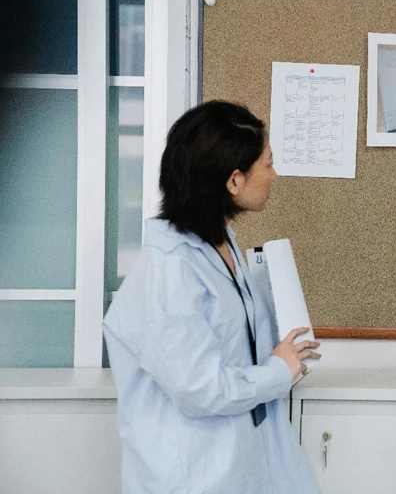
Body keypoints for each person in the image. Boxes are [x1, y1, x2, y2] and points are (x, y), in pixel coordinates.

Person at [104, 101, 321, 493]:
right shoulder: (172, 269)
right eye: (268, 164)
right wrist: (278, 371)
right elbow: (199, 389)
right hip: (193, 475)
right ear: (234, 180)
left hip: (235, 461)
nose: (275, 175)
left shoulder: (219, 242)